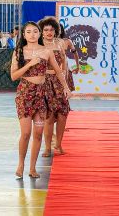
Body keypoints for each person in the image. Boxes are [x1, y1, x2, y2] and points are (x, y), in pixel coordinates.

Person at [10, 21, 70, 179]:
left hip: (42, 95)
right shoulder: (18, 52)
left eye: (35, 31)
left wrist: (66, 87)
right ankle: (21, 164)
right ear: (24, 35)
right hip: (25, 94)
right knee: (26, 133)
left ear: (39, 34)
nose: (32, 34)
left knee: (37, 133)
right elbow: (14, 76)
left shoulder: (46, 51)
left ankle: (32, 168)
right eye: (28, 32)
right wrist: (31, 63)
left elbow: (58, 71)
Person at [38, 17, 71, 157]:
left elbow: (64, 64)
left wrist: (66, 84)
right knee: (49, 117)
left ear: (56, 30)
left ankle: (58, 144)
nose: (49, 32)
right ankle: (47, 148)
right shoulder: (38, 46)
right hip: (44, 82)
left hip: (59, 81)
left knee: (63, 114)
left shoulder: (60, 43)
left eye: (51, 29)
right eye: (46, 30)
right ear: (42, 32)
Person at [59, 23, 79, 92]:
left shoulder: (67, 41)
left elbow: (75, 53)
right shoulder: (47, 42)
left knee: (63, 87)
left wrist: (77, 66)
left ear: (61, 31)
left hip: (63, 65)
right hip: (51, 66)